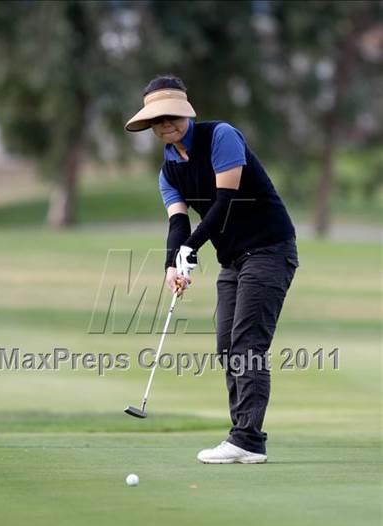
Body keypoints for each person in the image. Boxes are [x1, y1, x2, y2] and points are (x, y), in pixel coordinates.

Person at [125, 75, 299, 464]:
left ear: (185, 113)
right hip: (233, 259)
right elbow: (178, 223)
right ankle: (244, 438)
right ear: (150, 125)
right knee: (227, 347)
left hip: (269, 249)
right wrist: (173, 262)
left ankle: (247, 439)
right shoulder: (169, 170)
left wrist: (190, 248)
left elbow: (225, 204)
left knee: (248, 345)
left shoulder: (221, 137)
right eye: (157, 120)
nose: (166, 124)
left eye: (171, 116)